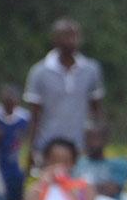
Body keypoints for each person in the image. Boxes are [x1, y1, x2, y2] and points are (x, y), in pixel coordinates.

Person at [23, 18, 105, 165]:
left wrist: (98, 144)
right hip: (48, 147)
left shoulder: (91, 70)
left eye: (75, 36)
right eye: (66, 36)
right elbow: (35, 114)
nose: (71, 41)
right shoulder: (39, 72)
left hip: (80, 146)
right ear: (55, 39)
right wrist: (32, 148)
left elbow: (96, 110)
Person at [74, 123, 127, 199]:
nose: (91, 142)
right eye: (88, 137)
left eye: (96, 138)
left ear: (106, 140)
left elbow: (110, 190)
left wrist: (81, 188)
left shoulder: (120, 164)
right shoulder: (76, 163)